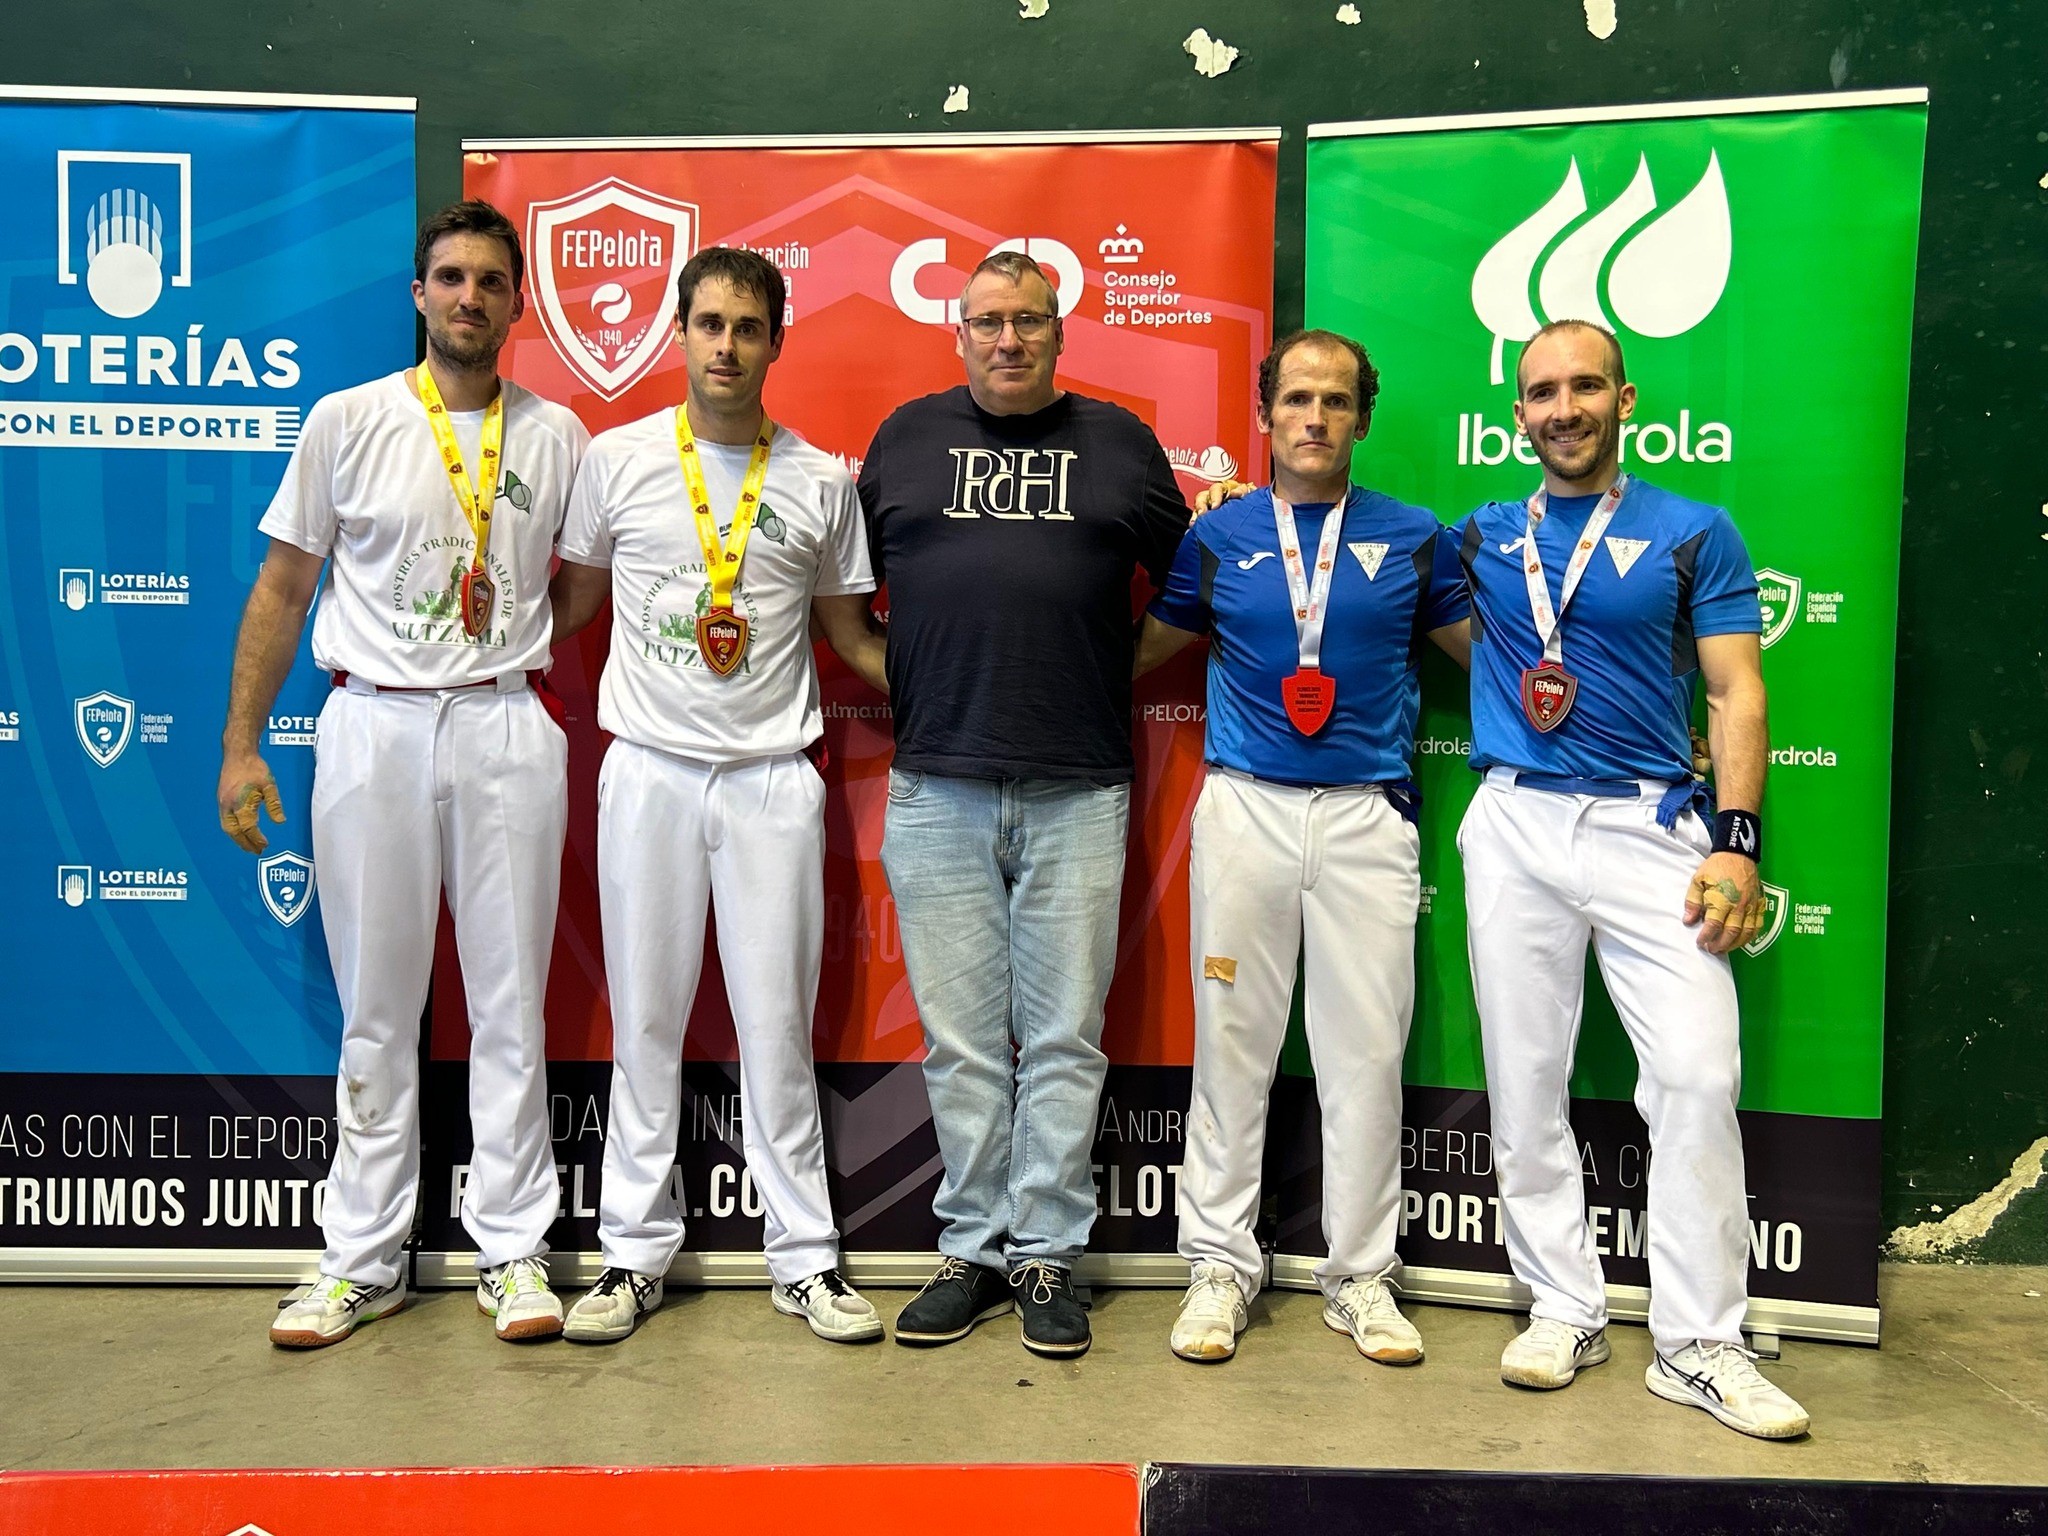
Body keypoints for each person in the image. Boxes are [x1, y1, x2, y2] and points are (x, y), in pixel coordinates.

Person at [218, 201, 588, 1347]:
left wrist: (510, 641)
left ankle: (514, 1252)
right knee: (376, 1012)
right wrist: (240, 743)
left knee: (507, 1003)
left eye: (489, 279)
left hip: (503, 727)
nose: (468, 296)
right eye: (448, 277)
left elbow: (577, 588)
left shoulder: (556, 434)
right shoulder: (349, 420)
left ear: (515, 303)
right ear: (418, 294)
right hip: (369, 728)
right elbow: (284, 589)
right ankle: (360, 1259)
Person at [1454, 318, 1808, 1439]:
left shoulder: (1692, 528)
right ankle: (1562, 1303)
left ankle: (1699, 1341)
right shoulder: (1476, 535)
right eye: (1540, 391)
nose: (1561, 408)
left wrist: (1735, 841)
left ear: (1623, 397)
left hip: (1653, 827)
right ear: (1515, 412)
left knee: (1698, 1076)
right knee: (1523, 1080)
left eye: (1583, 387)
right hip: (1512, 819)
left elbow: (1734, 695)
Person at [547, 247, 887, 1345]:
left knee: (773, 1028)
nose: (726, 346)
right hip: (644, 770)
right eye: (707, 324)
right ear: (677, 333)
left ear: (777, 341)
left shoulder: (822, 482)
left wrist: (964, 689)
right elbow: (570, 607)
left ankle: (805, 1259)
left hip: (770, 784)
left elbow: (850, 639)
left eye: (747, 326)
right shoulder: (614, 460)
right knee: (642, 1021)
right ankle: (631, 1257)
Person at [858, 251, 1190, 1358]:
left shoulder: (1122, 447)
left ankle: (1047, 1253)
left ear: (1060, 333)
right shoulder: (902, 441)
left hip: (1079, 787)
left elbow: (1191, 591)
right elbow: (839, 600)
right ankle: (972, 1248)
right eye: (987, 322)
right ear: (958, 333)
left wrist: (1103, 666)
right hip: (934, 786)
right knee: (958, 1043)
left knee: (1060, 1039)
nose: (1007, 339)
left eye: (1029, 321)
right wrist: (911, 683)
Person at [1136, 330, 1469, 1365]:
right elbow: (1144, 648)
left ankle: (1361, 1276)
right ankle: (1218, 1266)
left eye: (1334, 401)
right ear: (1263, 414)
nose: (1314, 419)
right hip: (1246, 811)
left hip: (1367, 819)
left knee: (1364, 1053)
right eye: (1295, 401)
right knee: (1233, 1042)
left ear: (1361, 417)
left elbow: (1491, 658)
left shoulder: (1417, 538)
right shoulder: (1219, 533)